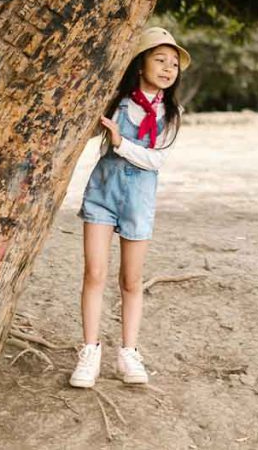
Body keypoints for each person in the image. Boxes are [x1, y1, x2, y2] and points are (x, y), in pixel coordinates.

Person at [69, 27, 191, 388]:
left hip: (138, 201)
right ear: (140, 64)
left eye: (173, 64)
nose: (168, 69)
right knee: (94, 273)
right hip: (103, 193)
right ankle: (90, 352)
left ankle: (129, 353)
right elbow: (85, 130)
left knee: (131, 280)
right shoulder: (116, 102)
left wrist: (119, 142)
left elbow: (156, 161)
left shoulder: (171, 113)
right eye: (160, 60)